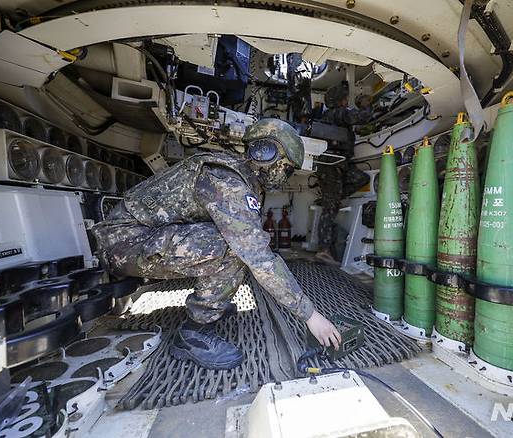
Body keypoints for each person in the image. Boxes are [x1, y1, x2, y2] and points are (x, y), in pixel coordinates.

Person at [91, 118, 341, 370]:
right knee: (234, 247)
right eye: (287, 168)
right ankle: (193, 334)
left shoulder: (237, 174)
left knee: (238, 242)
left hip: (137, 240)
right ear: (271, 157)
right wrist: (311, 315)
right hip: (124, 244)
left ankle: (213, 303)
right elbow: (257, 256)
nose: (285, 176)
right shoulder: (228, 181)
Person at [315, 83, 371, 264]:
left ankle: (331, 197)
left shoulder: (328, 116)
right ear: (340, 101)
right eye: (345, 98)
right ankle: (323, 250)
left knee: (361, 178)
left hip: (336, 166)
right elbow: (362, 117)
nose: (347, 101)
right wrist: (364, 103)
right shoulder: (338, 113)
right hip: (333, 167)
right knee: (329, 210)